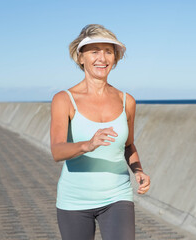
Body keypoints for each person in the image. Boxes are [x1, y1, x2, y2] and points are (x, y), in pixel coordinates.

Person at [50, 24, 150, 240]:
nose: (102, 58)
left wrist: (138, 171)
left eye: (108, 51)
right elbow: (57, 151)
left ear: (115, 58)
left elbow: (128, 145)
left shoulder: (127, 101)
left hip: (117, 196)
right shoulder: (64, 99)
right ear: (80, 57)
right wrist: (88, 144)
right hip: (74, 199)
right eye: (94, 51)